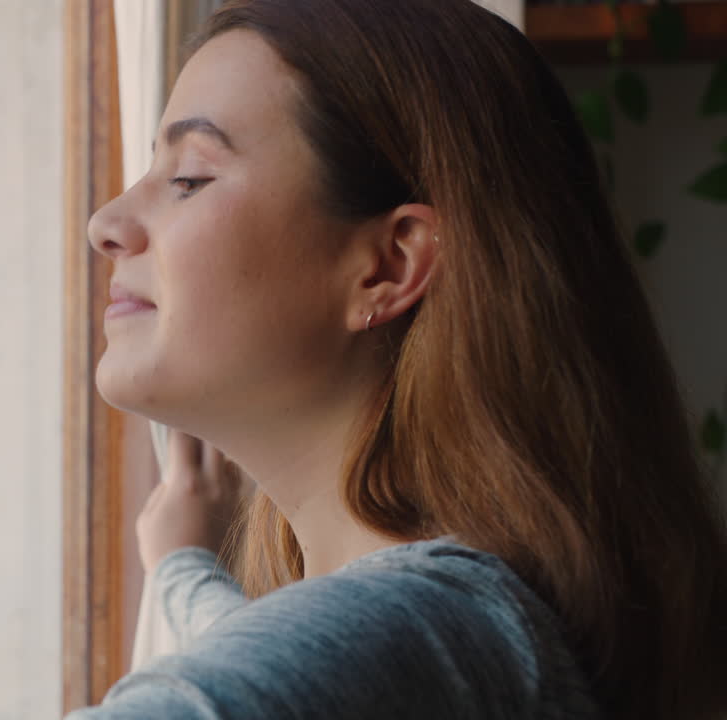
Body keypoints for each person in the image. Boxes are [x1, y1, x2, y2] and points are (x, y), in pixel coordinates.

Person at [68, 0, 727, 718]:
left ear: (389, 264)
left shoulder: (427, 630)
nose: (106, 223)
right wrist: (181, 567)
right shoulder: (473, 634)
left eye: (189, 178)